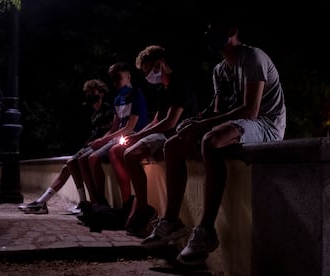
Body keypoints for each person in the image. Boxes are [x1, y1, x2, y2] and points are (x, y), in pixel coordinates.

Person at [141, 21, 286, 266]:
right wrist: (194, 123)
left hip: (266, 125)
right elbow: (219, 111)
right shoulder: (220, 70)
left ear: (233, 32)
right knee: (173, 145)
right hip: (238, 123)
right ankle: (171, 220)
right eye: (208, 29)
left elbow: (251, 111)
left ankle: (206, 230)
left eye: (217, 29)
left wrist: (201, 127)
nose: (210, 34)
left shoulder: (253, 58)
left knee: (210, 140)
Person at [109, 45, 199, 238]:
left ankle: (145, 208)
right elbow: (157, 119)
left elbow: (170, 122)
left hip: (175, 134)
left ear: (160, 62)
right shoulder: (163, 89)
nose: (148, 74)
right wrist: (138, 134)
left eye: (149, 69)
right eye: (145, 72)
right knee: (126, 152)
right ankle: (142, 207)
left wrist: (139, 136)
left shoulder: (179, 83)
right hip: (163, 133)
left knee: (130, 154)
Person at [18, 79, 114, 215]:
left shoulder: (108, 110)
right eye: (87, 92)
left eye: (92, 92)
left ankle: (48, 203)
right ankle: (44, 202)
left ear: (101, 93)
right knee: (67, 166)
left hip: (100, 146)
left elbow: (111, 131)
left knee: (70, 163)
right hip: (90, 145)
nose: (89, 95)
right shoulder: (94, 114)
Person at [76, 61, 148, 228]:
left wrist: (104, 140)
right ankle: (98, 202)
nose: (116, 82)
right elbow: (115, 127)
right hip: (117, 137)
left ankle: (126, 202)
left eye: (118, 78)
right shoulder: (117, 99)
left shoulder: (136, 93)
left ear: (128, 76)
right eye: (113, 79)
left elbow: (130, 127)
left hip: (131, 136)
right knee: (89, 157)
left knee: (111, 153)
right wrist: (100, 140)